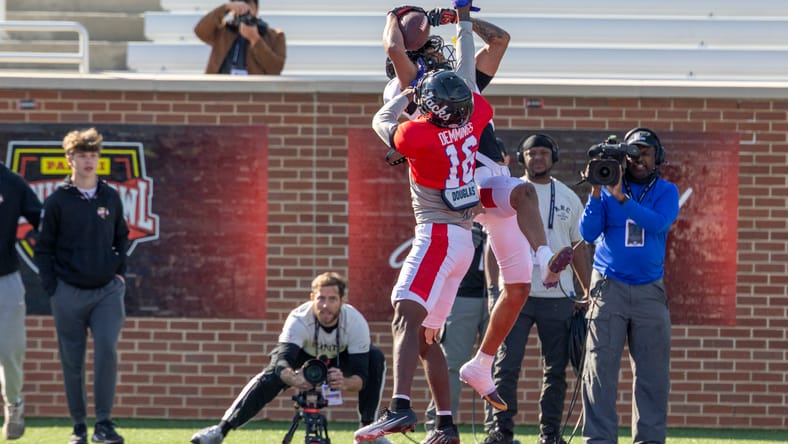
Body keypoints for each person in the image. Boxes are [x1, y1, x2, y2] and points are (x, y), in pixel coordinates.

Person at [383, 3, 574, 412]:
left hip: (479, 192)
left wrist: (459, 20)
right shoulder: (431, 90)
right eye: (431, 50)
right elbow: (398, 52)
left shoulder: (458, 90)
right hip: (471, 186)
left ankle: (481, 365)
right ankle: (418, 404)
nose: (439, 54)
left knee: (519, 286)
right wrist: (397, 16)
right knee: (523, 195)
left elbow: (499, 40)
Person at [354, 5, 493, 443]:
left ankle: (398, 407)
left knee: (404, 314)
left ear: (429, 106)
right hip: (464, 241)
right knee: (428, 336)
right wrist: (463, 25)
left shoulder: (417, 136)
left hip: (436, 234)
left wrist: (398, 16)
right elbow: (469, 84)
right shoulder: (476, 117)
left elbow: (385, 118)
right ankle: (447, 424)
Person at [191, 272, 390, 444]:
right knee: (270, 374)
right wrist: (293, 378)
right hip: (303, 356)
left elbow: (362, 376)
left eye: (332, 299)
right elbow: (281, 360)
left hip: (342, 359)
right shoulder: (299, 318)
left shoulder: (355, 322)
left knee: (376, 358)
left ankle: (368, 433)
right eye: (321, 298)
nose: (325, 305)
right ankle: (220, 430)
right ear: (312, 298)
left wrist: (345, 383)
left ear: (342, 301)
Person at [484, 134, 592, 444]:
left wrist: (586, 292)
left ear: (554, 157)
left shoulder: (570, 197)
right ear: (521, 157)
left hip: (558, 297)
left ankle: (550, 435)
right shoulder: (510, 193)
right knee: (505, 366)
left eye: (544, 153)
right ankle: (500, 432)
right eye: (532, 153)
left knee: (555, 370)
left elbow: (579, 249)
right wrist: (494, 290)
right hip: (515, 294)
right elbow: (493, 245)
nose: (538, 158)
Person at [578, 128, 679, 444]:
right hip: (609, 287)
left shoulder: (667, 191)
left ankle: (648, 439)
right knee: (599, 371)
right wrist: (597, 192)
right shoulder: (607, 188)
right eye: (632, 153)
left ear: (657, 158)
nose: (638, 159)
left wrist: (621, 198)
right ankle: (598, 439)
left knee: (652, 375)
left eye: (645, 153)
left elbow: (657, 223)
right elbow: (588, 233)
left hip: (650, 291)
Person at [34, 128, 129, 444]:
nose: (89, 161)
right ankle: (79, 427)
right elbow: (43, 247)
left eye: (93, 156)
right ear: (69, 159)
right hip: (68, 293)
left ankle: (104, 424)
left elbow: (122, 237)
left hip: (106, 292)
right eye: (82, 156)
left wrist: (120, 275)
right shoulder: (58, 200)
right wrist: (54, 288)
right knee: (72, 361)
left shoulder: (110, 197)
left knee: (106, 350)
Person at [423, 222, 490, 430]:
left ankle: (497, 431)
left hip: (500, 296)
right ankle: (439, 425)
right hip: (462, 295)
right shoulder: (464, 201)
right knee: (451, 364)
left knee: (497, 367)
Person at [0, 162, 42, 440]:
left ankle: (13, 404)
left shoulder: (11, 182)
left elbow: (43, 220)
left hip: (6, 277)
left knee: (10, 349)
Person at [194, 0, 286, 75]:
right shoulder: (223, 30)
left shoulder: (275, 36)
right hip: (221, 90)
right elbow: (200, 31)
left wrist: (255, 39)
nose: (244, 8)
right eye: (239, 3)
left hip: (253, 93)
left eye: (248, 2)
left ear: (257, 8)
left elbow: (275, 69)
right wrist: (225, 8)